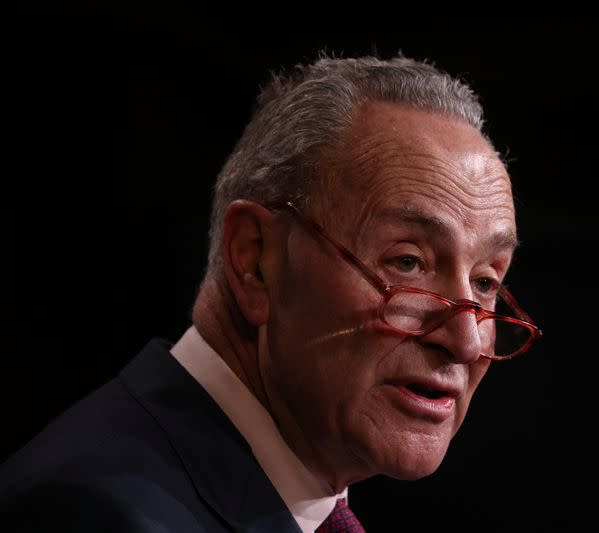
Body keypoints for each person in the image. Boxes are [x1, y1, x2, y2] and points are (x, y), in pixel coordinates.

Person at [0, 54, 541, 532]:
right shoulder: (98, 511)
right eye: (408, 262)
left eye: (486, 282)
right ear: (255, 260)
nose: (467, 341)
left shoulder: (298, 500)